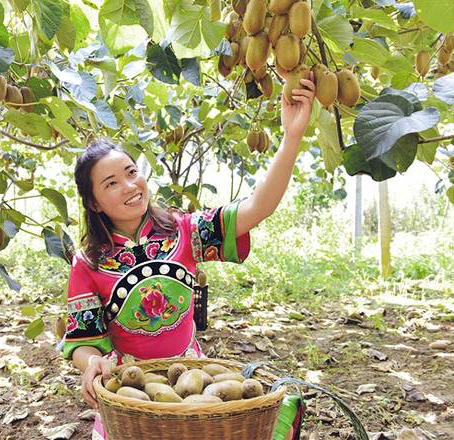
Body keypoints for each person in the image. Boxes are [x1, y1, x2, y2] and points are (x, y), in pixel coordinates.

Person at [62, 75, 316, 439]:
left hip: (192, 384)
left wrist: (292, 136)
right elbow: (83, 340)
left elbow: (258, 208)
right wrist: (92, 363)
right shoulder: (88, 263)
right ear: (93, 202)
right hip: (128, 394)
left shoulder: (185, 231)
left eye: (132, 173)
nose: (130, 186)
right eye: (111, 183)